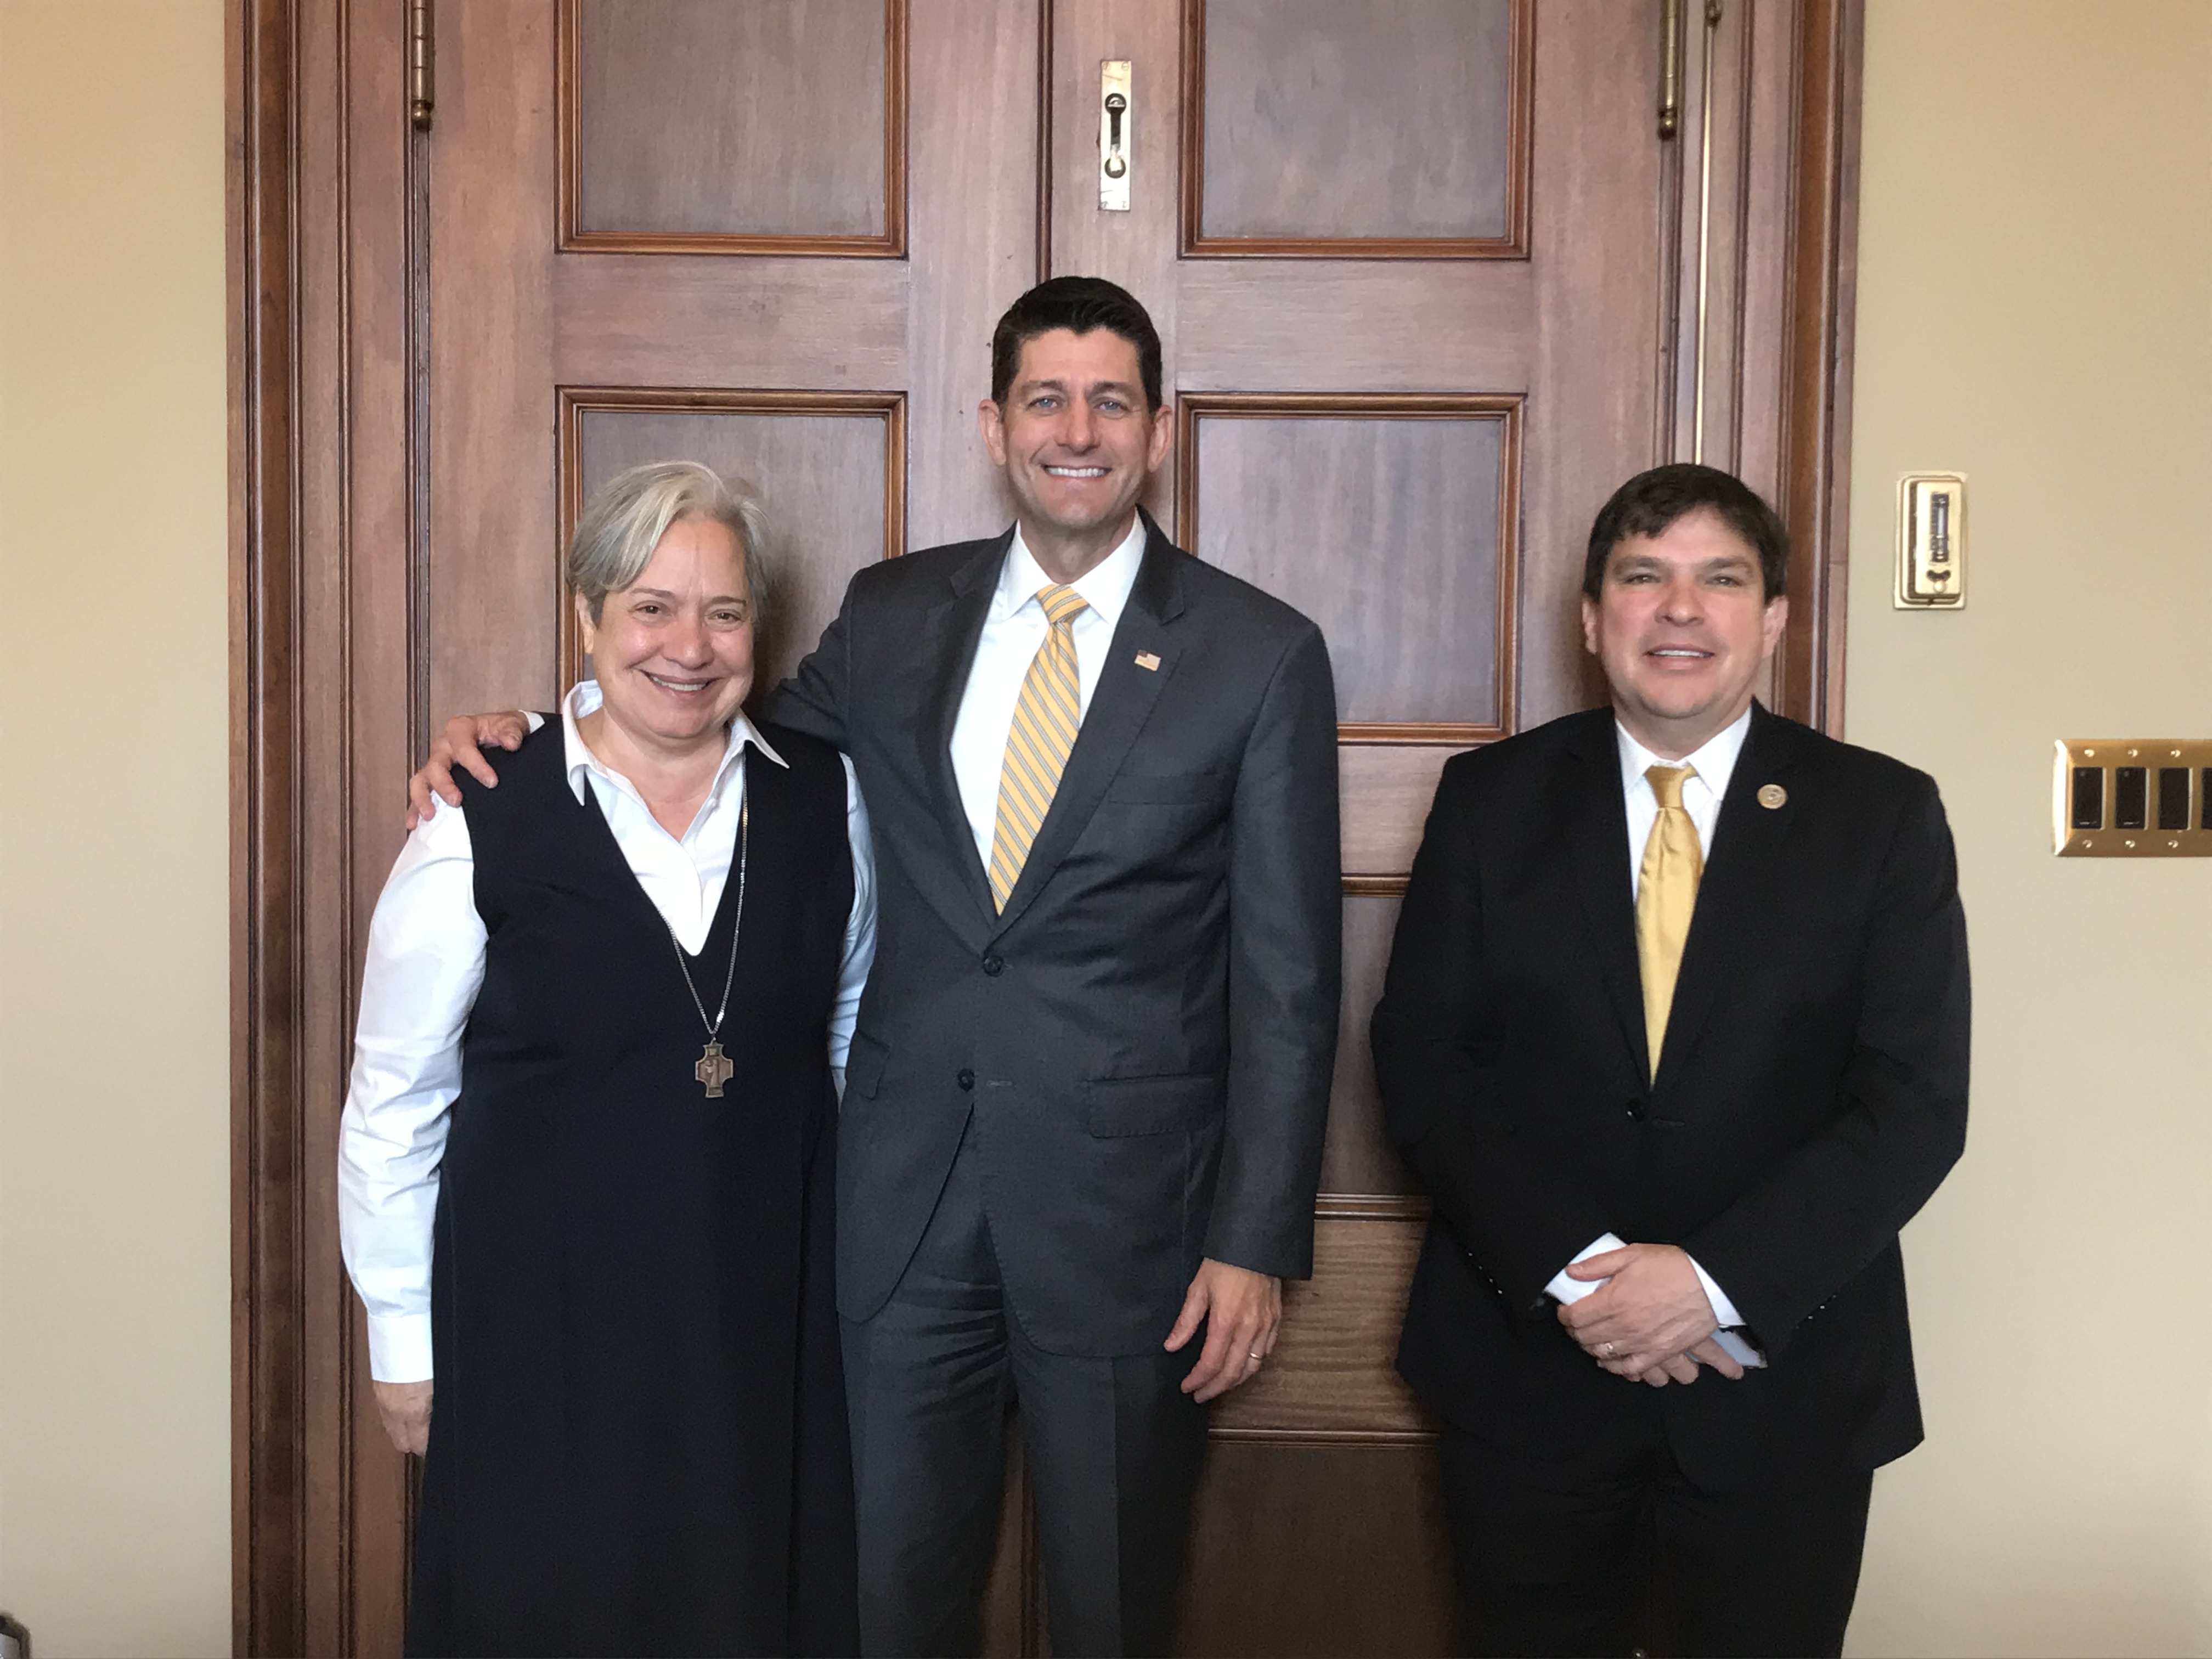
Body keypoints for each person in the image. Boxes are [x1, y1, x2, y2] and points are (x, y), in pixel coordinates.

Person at [408, 276, 1342, 1657]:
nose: (1075, 430)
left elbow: (1290, 978)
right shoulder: (895, 614)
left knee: (1115, 1607)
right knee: (882, 1607)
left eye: (1110, 402)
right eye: (1044, 398)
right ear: (992, 424)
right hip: (891, 1223)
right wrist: (544, 735)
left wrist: (1253, 1243)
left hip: (1126, 1231)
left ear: (1157, 433)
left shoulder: (1260, 657)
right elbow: (711, 735)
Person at [1370, 463, 1970, 1658]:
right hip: (1529, 1378)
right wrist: (1591, 1275)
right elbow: (1426, 1063)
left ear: (1776, 619)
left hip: (1782, 1388)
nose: (1680, 611)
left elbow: (1913, 1102)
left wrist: (1709, 1282)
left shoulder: (1881, 817)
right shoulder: (1489, 801)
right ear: (1593, 620)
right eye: (1644, 577)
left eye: (1720, 580)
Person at [341, 461, 876, 1657]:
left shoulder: (827, 808)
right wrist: (404, 1346)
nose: (689, 645)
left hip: (761, 1341)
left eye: (725, 612)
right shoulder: (478, 815)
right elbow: (395, 1102)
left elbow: (840, 1049)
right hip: (537, 1347)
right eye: (651, 606)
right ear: (587, 614)